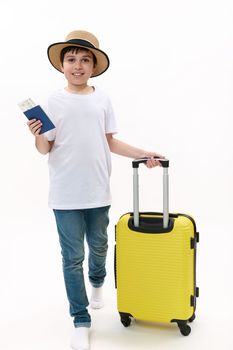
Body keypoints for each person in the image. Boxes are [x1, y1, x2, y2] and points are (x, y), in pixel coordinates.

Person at [27, 30, 164, 350]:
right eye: (71, 59)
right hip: (64, 194)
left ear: (94, 66)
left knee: (99, 246)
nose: (78, 65)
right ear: (62, 65)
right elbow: (45, 148)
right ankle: (80, 319)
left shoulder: (102, 99)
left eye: (85, 60)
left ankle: (98, 282)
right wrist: (36, 134)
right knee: (72, 257)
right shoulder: (51, 101)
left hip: (97, 191)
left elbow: (111, 141)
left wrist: (145, 154)